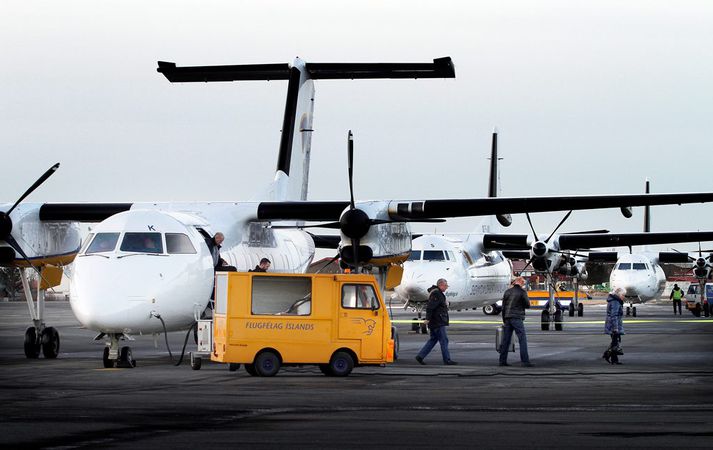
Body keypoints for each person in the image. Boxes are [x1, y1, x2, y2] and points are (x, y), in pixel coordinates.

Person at [415, 279, 457, 366]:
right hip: (438, 322)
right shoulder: (436, 294)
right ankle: (447, 360)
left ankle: (420, 356)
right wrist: (427, 319)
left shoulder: (437, 293)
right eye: (445, 286)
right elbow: (430, 307)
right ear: (441, 285)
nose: (446, 288)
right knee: (444, 340)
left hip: (436, 321)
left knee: (433, 339)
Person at [499, 277, 533, 367]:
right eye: (523, 283)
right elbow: (528, 305)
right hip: (517, 318)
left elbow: (503, 307)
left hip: (507, 317)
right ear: (521, 283)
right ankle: (525, 361)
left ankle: (502, 361)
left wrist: (504, 320)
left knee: (506, 340)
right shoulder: (522, 292)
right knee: (522, 339)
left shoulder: (507, 292)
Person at [603, 287, 626, 364]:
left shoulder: (615, 301)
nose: (624, 297)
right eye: (623, 295)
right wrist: (615, 328)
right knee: (615, 342)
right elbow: (614, 315)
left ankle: (614, 359)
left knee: (615, 342)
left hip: (613, 324)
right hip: (613, 325)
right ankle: (607, 355)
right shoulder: (615, 302)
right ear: (619, 295)